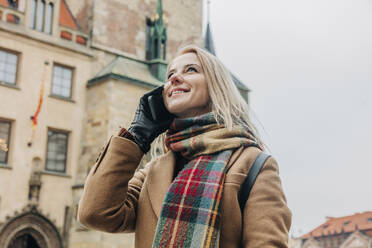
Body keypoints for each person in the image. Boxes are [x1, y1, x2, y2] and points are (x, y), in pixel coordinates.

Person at [78, 45, 292, 248]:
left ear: (216, 86)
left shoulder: (254, 164)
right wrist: (137, 135)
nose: (174, 78)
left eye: (191, 70)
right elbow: (95, 213)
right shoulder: (154, 171)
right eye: (170, 74)